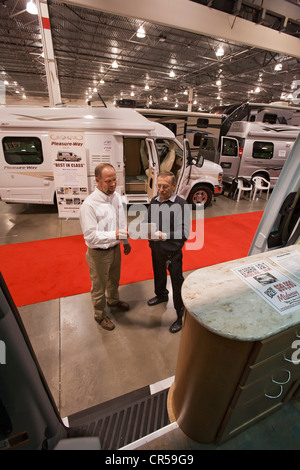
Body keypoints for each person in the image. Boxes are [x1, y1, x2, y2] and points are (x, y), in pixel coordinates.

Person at [79, 163, 131, 331]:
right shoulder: (89, 205)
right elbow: (90, 236)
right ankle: (100, 315)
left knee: (114, 280)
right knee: (99, 286)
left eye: (115, 179)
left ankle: (113, 301)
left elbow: (120, 219)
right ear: (97, 181)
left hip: (115, 249)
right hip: (98, 254)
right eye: (108, 181)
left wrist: (124, 241)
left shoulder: (115, 196)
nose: (113, 184)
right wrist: (114, 235)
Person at [146, 171, 190, 333]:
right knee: (158, 273)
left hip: (173, 253)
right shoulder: (154, 201)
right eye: (158, 185)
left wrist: (163, 236)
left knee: (177, 282)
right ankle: (161, 294)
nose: (161, 189)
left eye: (165, 186)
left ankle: (180, 314)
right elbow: (148, 221)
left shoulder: (181, 205)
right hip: (156, 249)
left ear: (173, 186)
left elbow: (185, 233)